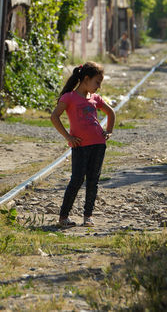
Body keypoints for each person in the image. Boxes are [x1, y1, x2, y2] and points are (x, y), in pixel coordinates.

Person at [50, 62, 116, 228]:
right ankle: (63, 217)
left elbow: (111, 112)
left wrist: (109, 131)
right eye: (97, 82)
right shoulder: (69, 97)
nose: (99, 87)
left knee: (93, 181)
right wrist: (68, 137)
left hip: (99, 144)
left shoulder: (95, 98)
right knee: (77, 180)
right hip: (80, 146)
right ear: (86, 79)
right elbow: (54, 117)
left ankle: (88, 216)